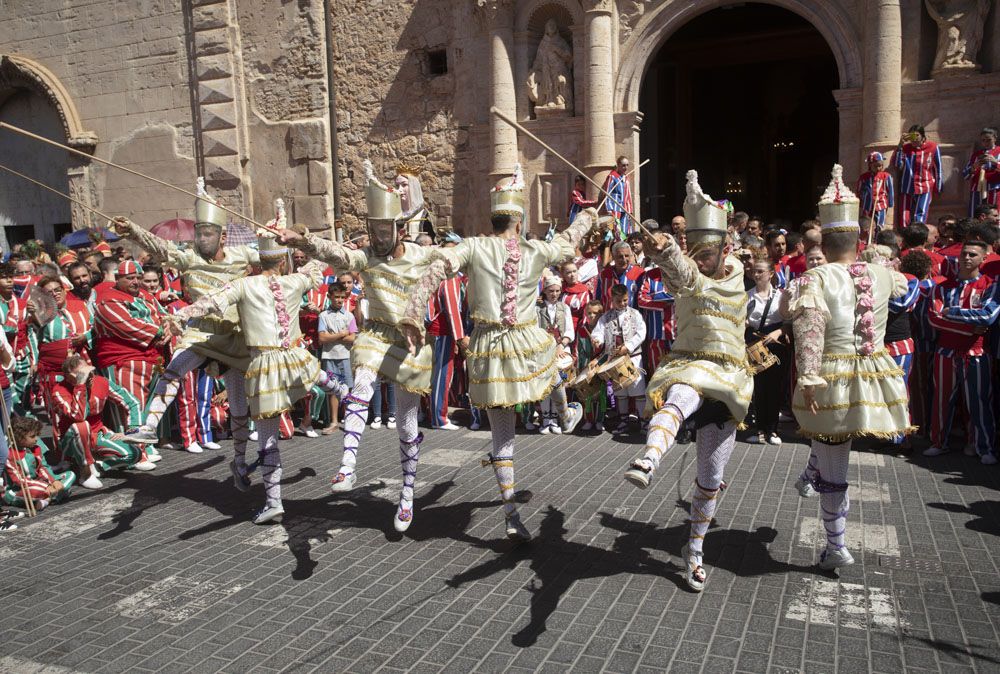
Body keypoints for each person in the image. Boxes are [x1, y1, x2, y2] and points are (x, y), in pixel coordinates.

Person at [399, 164, 594, 541]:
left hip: (488, 346)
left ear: (494, 218)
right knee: (551, 360)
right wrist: (588, 215)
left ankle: (510, 513)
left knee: (502, 435)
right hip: (524, 340)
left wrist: (413, 309)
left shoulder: (472, 246)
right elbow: (569, 242)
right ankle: (567, 410)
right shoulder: (535, 249)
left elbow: (438, 267)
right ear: (519, 221)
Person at [280, 160, 438, 533]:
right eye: (375, 229)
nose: (380, 236)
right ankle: (347, 466)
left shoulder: (422, 255)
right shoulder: (365, 257)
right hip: (376, 334)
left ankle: (407, 494)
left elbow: (451, 266)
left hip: (411, 341)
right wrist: (303, 241)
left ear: (400, 228)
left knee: (405, 424)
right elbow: (339, 255)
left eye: (387, 229)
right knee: (362, 384)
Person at [622, 170, 754, 591]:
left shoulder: (734, 274)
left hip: (730, 380)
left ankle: (694, 548)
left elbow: (698, 278)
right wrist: (666, 256)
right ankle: (648, 458)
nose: (700, 257)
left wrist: (673, 256)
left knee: (710, 478)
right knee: (679, 394)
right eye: (692, 249)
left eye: (707, 250)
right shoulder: (684, 276)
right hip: (691, 364)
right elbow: (685, 278)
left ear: (724, 248)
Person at [788, 165, 912, 570]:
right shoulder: (881, 273)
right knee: (832, 445)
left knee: (834, 460)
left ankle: (836, 543)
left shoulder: (816, 277)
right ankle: (811, 473)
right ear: (859, 238)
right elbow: (904, 293)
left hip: (833, 376)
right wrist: (876, 258)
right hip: (873, 374)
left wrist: (808, 375)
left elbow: (809, 329)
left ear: (823, 238)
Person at [173, 235, 346, 524]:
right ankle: (346, 394)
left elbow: (211, 302)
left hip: (263, 366)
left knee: (267, 440)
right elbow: (317, 266)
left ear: (258, 261)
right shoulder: (294, 281)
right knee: (312, 373)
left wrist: (181, 315)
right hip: (291, 358)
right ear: (282, 260)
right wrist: (310, 241)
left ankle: (274, 502)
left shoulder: (244, 284)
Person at [115, 179, 255, 463]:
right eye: (199, 233)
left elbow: (274, 256)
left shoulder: (243, 256)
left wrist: (283, 237)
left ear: (223, 236)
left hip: (234, 336)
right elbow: (162, 249)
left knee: (239, 407)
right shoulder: (188, 257)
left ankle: (239, 461)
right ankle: (148, 427)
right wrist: (132, 230)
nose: (202, 239)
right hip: (201, 333)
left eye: (208, 234)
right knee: (174, 370)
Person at [924, 237, 1000, 463]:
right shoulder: (942, 286)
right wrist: (970, 328)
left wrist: (951, 312)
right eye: (964, 253)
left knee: (978, 400)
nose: (966, 258)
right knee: (942, 399)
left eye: (973, 254)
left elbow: (988, 317)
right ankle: (938, 442)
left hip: (976, 354)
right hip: (945, 352)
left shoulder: (990, 285)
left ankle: (983, 447)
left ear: (983, 258)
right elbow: (934, 318)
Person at [92, 261, 169, 434]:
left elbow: (164, 316)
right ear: (118, 278)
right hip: (124, 360)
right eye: (130, 278)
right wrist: (159, 331)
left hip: (152, 357)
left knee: (151, 403)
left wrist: (168, 330)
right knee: (131, 405)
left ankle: (149, 443)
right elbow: (127, 325)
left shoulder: (144, 295)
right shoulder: (107, 298)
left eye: (138, 277)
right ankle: (134, 449)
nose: (136, 281)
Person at [49, 356, 154, 479]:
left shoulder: (101, 382)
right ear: (69, 377)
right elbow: (79, 417)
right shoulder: (59, 390)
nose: (90, 376)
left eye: (90, 372)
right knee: (82, 426)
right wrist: (80, 386)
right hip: (72, 439)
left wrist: (131, 432)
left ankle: (99, 464)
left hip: (97, 434)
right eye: (83, 374)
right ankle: (84, 470)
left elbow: (132, 402)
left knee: (135, 454)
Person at [592, 284, 646, 435]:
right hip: (614, 360)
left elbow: (641, 333)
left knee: (637, 389)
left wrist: (628, 346)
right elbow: (599, 332)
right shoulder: (606, 317)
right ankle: (623, 421)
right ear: (612, 300)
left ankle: (643, 422)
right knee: (620, 391)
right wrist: (596, 340)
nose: (622, 304)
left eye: (625, 300)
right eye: (619, 301)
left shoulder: (636, 314)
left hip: (633, 357)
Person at [746, 251, 787, 445]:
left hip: (776, 344)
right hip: (755, 343)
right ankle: (760, 429)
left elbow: (789, 321)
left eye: (761, 271)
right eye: (755, 271)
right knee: (759, 387)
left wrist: (778, 332)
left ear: (771, 273)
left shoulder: (781, 296)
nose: (756, 275)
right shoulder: (747, 296)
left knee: (775, 386)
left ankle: (773, 430)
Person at [427, 248, 467, 431]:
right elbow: (452, 310)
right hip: (443, 331)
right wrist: (459, 337)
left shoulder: (432, 276)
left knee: (435, 374)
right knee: (443, 375)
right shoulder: (449, 279)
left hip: (435, 331)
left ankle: (434, 414)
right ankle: (439, 418)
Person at [3, 416, 75, 511]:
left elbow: (41, 468)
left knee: (70, 475)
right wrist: (47, 486)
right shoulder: (10, 455)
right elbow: (19, 480)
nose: (36, 439)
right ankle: (56, 495)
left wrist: (53, 481)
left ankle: (47, 499)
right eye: (32, 436)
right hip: (19, 488)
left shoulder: (35, 449)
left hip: (39, 482)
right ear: (19, 437)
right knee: (37, 490)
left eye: (37, 435)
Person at [317, 282, 357, 434]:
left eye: (342, 297)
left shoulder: (349, 316)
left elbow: (352, 338)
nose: (339, 300)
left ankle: (349, 420)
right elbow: (322, 338)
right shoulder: (323, 316)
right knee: (333, 389)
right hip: (329, 356)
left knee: (347, 388)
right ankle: (333, 421)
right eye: (336, 297)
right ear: (329, 297)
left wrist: (332, 336)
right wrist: (341, 334)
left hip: (345, 356)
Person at [536, 275, 574, 434]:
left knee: (559, 385)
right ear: (544, 290)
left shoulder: (565, 307)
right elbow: (533, 330)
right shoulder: (537, 308)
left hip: (560, 350)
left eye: (557, 291)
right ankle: (546, 419)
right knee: (545, 384)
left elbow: (570, 330)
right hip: (542, 349)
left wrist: (561, 345)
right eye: (551, 290)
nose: (554, 294)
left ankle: (558, 418)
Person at [892, 124, 943, 228]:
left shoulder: (933, 147)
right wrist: (900, 146)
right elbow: (897, 164)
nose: (914, 139)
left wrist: (939, 186)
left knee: (920, 215)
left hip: (925, 186)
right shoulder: (905, 148)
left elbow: (938, 168)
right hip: (907, 187)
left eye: (916, 136)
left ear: (923, 137)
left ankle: (918, 237)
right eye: (911, 137)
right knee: (904, 217)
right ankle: (905, 239)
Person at [0, 263, 33, 416]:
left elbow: (30, 332)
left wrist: (34, 358)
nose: (8, 281)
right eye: (3, 278)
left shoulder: (21, 303)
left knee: (22, 397)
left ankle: (22, 425)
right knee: (11, 400)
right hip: (4, 358)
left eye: (10, 277)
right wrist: (7, 329)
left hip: (22, 355)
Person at [962, 127, 1000, 217]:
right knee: (976, 215)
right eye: (983, 140)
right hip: (977, 190)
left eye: (989, 140)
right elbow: (965, 175)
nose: (986, 143)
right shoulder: (976, 154)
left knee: (994, 215)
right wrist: (974, 167)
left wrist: (995, 163)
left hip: (994, 189)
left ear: (995, 138)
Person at [597, 241, 644, 308]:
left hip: (632, 317)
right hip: (609, 317)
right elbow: (598, 301)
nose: (624, 259)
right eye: (620, 256)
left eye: (627, 256)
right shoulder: (604, 275)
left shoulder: (639, 274)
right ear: (613, 256)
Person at [857, 151, 895, 232]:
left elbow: (890, 191)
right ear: (870, 165)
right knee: (866, 226)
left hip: (881, 206)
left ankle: (877, 240)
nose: (878, 168)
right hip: (867, 207)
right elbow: (859, 191)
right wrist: (861, 203)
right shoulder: (864, 177)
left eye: (880, 166)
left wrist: (890, 203)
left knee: (879, 226)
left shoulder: (886, 176)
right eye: (875, 166)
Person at [601, 156, 635, 239]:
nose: (625, 167)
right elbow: (607, 194)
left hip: (625, 209)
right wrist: (609, 209)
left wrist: (630, 209)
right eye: (623, 165)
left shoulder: (626, 177)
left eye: (627, 165)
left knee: (625, 231)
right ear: (618, 165)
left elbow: (628, 194)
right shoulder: (612, 177)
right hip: (615, 208)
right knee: (615, 232)